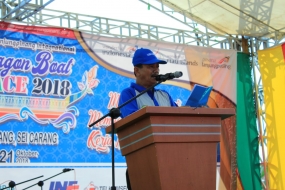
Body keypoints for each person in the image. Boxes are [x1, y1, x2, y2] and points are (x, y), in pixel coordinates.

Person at [118, 48, 177, 190]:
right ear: (137, 71)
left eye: (157, 66)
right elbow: (134, 123)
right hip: (143, 165)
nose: (156, 70)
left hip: (171, 161)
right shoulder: (129, 95)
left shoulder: (165, 95)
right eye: (151, 67)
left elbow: (179, 120)